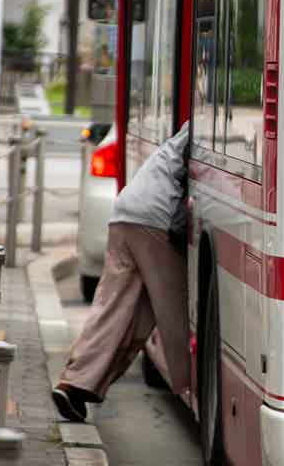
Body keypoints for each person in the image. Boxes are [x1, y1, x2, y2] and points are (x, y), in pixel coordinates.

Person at [52, 122, 191, 422]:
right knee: (176, 309)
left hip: (126, 211)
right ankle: (192, 387)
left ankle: (74, 384)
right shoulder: (211, 125)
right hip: (157, 219)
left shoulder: (189, 128)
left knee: (117, 310)